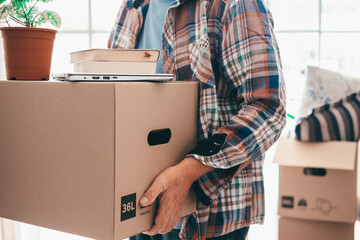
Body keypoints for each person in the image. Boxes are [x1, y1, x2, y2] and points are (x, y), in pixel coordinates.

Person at [108, 0, 286, 238]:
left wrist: (188, 172)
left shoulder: (233, 4)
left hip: (209, 215)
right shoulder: (132, 6)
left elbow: (268, 108)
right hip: (136, 207)